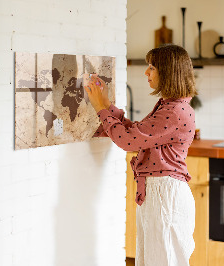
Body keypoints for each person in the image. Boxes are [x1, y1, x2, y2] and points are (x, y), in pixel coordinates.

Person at [85, 44, 197, 266]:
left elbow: (128, 141)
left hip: (165, 195)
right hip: (160, 193)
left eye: (152, 67)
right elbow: (136, 133)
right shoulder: (170, 106)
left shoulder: (174, 111)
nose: (146, 72)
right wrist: (107, 104)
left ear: (168, 72)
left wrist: (100, 108)